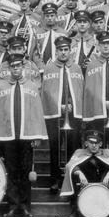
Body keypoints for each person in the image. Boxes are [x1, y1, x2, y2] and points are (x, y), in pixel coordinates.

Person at [0, 54, 47, 217]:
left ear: (23, 68)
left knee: (25, 171)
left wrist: (37, 135)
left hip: (27, 135)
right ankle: (12, 206)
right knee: (10, 171)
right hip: (8, 135)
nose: (16, 69)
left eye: (19, 66)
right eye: (13, 67)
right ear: (9, 68)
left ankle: (25, 206)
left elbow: (37, 112)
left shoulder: (32, 87)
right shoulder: (2, 87)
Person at [40, 36, 85, 193]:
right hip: (55, 115)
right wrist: (58, 106)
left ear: (70, 50)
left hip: (73, 115)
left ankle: (72, 178)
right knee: (55, 147)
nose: (64, 53)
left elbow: (80, 90)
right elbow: (46, 91)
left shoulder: (76, 68)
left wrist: (75, 105)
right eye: (61, 50)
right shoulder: (49, 68)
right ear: (56, 51)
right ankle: (55, 179)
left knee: (74, 146)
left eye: (66, 50)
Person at [61, 130, 109, 217]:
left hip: (103, 181)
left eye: (96, 143)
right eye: (91, 142)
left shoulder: (106, 152)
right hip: (84, 182)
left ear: (100, 144)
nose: (94, 145)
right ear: (86, 143)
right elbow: (69, 166)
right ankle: (75, 208)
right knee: (74, 174)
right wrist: (79, 172)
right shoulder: (79, 152)